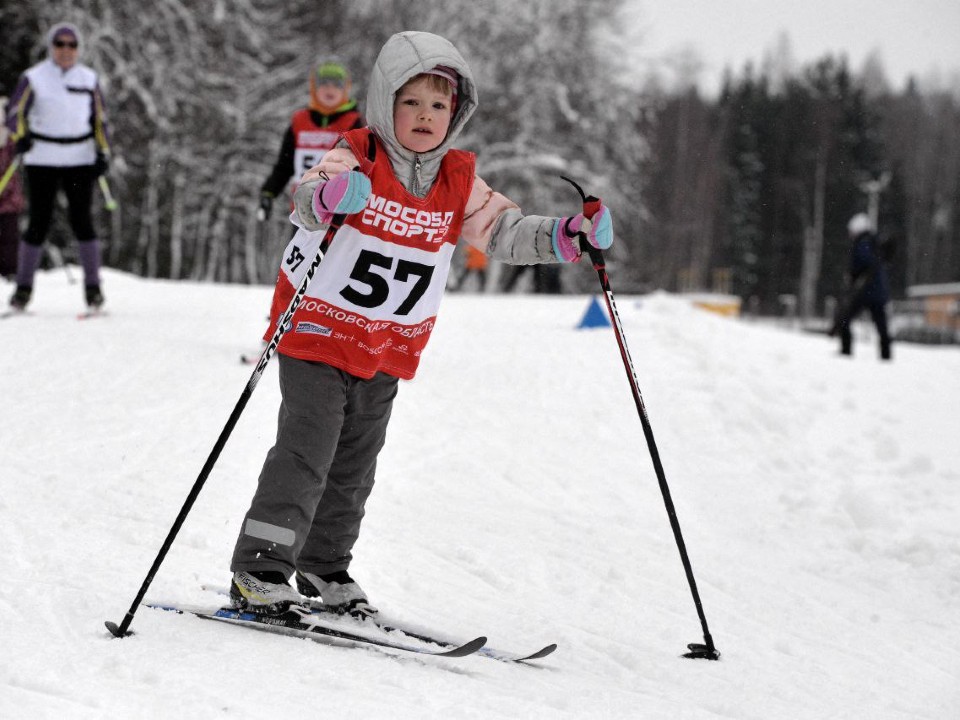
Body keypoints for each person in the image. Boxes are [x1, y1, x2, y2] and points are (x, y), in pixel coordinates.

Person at [228, 30, 614, 615]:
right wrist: (332, 195)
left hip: (386, 342)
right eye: (411, 102)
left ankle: (324, 564)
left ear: (456, 113)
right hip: (318, 328)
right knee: (308, 448)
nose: (426, 115)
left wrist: (567, 235)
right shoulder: (356, 153)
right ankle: (261, 568)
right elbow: (305, 198)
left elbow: (504, 232)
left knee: (356, 460)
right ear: (386, 103)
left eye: (439, 104)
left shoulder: (458, 180)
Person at [5, 21, 111, 312]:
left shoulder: (88, 79)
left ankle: (93, 291)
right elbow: (15, 113)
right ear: (52, 47)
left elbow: (100, 119)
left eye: (72, 45)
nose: (66, 50)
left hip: (79, 159)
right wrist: (21, 137)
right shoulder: (35, 77)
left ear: (78, 49)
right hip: (43, 159)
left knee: (82, 221)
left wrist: (104, 152)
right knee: (38, 222)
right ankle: (22, 291)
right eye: (60, 44)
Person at [257, 60, 364, 223]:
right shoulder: (299, 122)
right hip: (303, 209)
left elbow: (365, 166)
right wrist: (269, 192)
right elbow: (285, 164)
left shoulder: (354, 123)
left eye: (337, 84)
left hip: (338, 212)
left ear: (346, 88)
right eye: (324, 83)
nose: (330, 89)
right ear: (314, 87)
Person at [830, 212, 892, 360]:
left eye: (851, 231)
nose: (850, 234)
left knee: (845, 318)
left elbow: (864, 262)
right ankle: (886, 355)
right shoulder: (875, 243)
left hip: (864, 290)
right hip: (878, 291)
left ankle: (846, 350)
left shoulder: (863, 242)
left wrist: (853, 275)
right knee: (881, 325)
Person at [0, 92, 25, 281]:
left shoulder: (10, 139)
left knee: (9, 236)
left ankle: (10, 271)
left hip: (8, 198)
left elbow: (12, 165)